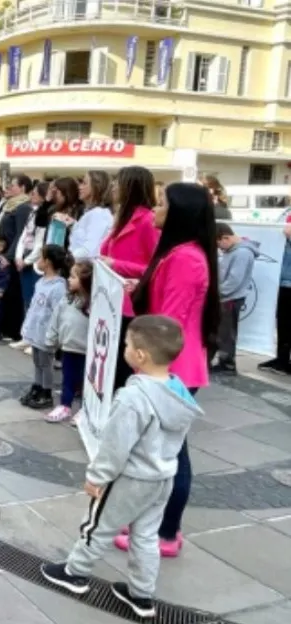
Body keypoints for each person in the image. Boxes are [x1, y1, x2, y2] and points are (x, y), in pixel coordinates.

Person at [41, 314, 201, 620]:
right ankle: (141, 595)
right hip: (162, 478)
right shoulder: (177, 392)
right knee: (145, 537)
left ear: (139, 355)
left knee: (98, 526)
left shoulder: (132, 398)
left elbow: (115, 446)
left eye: (126, 343)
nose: (124, 347)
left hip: (130, 478)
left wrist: (96, 477)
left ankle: (75, 572)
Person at [114, 182, 219, 559]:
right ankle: (152, 521)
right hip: (168, 365)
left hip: (173, 369)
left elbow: (168, 324)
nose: (154, 210)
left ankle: (167, 532)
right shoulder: (177, 252)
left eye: (160, 204)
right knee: (157, 451)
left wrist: (144, 365)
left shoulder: (186, 258)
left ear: (179, 213)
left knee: (171, 456)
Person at [100, 165, 160, 390]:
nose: (113, 186)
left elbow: (158, 266)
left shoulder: (148, 221)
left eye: (118, 181)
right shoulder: (121, 219)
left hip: (130, 305)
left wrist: (116, 264)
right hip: (109, 300)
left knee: (123, 364)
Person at [19, 245, 69, 409]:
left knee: (45, 363)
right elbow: (34, 307)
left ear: (47, 262)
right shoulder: (41, 282)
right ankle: (37, 386)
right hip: (36, 330)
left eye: (41, 257)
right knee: (37, 360)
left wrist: (54, 335)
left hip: (46, 332)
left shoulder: (58, 287)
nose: (38, 261)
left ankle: (46, 391)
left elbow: (58, 313)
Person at [44, 260, 92, 422]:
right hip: (69, 347)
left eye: (73, 277)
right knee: (68, 379)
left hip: (88, 351)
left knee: (88, 383)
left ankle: (86, 411)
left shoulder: (95, 303)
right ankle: (65, 406)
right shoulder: (66, 299)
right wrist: (51, 338)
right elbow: (56, 319)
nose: (69, 280)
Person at [212, 223, 258, 374]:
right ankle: (224, 361)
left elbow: (234, 281)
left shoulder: (242, 253)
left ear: (226, 237)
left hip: (230, 298)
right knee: (223, 330)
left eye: (219, 244)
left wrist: (217, 292)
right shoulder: (234, 251)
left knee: (226, 331)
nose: (220, 248)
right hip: (227, 297)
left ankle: (227, 364)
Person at [9, 182, 49, 352]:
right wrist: (19, 256)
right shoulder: (32, 212)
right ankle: (26, 336)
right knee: (27, 299)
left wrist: (27, 260)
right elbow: (24, 235)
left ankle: (36, 339)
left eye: (34, 194)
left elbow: (40, 242)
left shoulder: (45, 214)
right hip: (24, 255)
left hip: (35, 260)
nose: (31, 197)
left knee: (36, 300)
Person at [0, 174, 35, 340]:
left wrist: (10, 255)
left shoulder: (23, 207)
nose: (8, 189)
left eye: (12, 186)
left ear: (23, 188)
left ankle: (14, 331)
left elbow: (20, 235)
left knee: (13, 294)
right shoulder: (8, 206)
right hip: (4, 251)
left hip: (12, 255)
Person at [259, 213, 291, 374]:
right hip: (283, 283)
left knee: (285, 322)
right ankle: (282, 358)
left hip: (288, 284)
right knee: (283, 323)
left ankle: (283, 360)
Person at [66, 170, 114, 261]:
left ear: (96, 187)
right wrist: (73, 225)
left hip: (85, 269)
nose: (80, 187)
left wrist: (66, 260)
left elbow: (89, 250)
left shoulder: (99, 214)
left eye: (84, 183)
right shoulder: (90, 212)